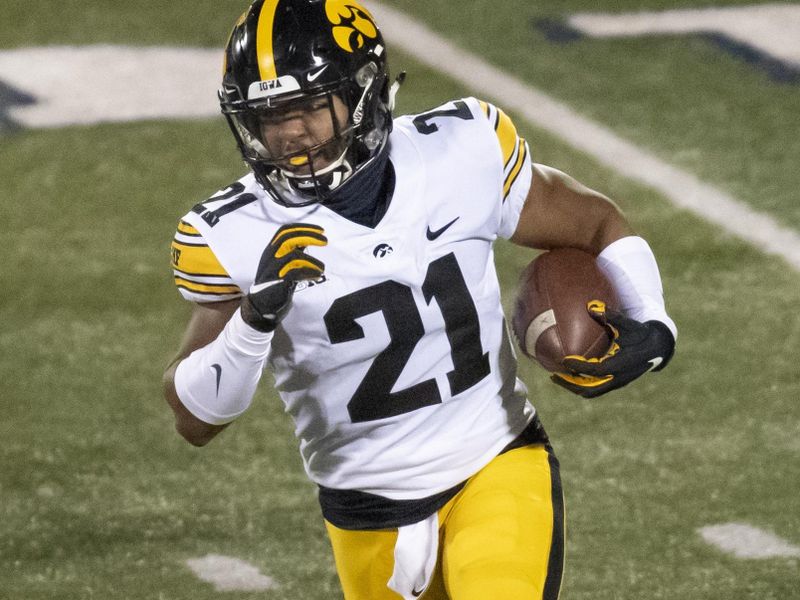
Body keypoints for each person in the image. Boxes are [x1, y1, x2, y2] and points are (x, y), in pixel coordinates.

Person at [163, 1, 677, 598]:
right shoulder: (231, 232)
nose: (289, 132)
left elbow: (596, 225)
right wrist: (253, 320)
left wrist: (652, 321)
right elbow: (195, 418)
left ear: (363, 93)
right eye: (267, 115)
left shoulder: (462, 152)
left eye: (306, 105)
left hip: (495, 460)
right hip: (364, 510)